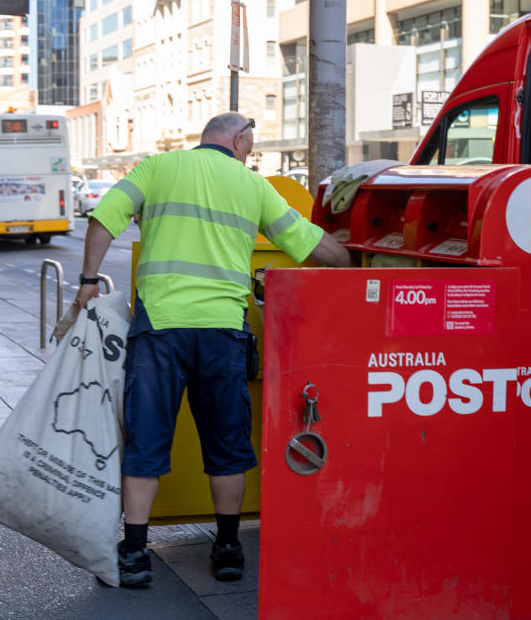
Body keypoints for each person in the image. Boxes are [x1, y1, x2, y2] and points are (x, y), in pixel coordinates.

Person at [73, 112, 353, 587]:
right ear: (240, 139)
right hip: (223, 332)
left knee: (146, 441)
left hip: (159, 328)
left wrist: (86, 282)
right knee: (227, 444)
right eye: (250, 143)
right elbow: (308, 244)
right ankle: (227, 549)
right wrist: (351, 261)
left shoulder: (156, 168)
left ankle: (136, 553)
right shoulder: (254, 186)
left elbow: (104, 218)